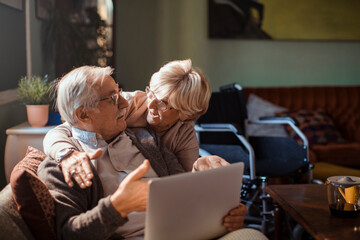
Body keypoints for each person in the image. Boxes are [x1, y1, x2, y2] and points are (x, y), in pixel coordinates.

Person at [38, 65, 249, 240]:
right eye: (113, 98)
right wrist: (117, 207)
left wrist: (225, 211)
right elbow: (69, 235)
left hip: (184, 232)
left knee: (249, 235)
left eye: (119, 92)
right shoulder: (64, 166)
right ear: (83, 114)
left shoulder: (148, 141)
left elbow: (185, 191)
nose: (123, 103)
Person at [44, 59, 217, 188]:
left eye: (163, 103)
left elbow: (185, 183)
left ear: (185, 114)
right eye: (151, 92)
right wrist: (66, 154)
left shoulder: (184, 131)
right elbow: (67, 127)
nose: (150, 104)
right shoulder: (125, 103)